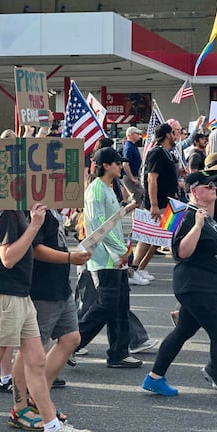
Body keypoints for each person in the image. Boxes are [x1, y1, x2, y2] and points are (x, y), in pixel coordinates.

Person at [0, 203, 91, 432]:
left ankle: (52, 427)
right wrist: (35, 225)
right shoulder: (4, 211)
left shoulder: (16, 208)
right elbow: (8, 257)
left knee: (37, 360)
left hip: (20, 293)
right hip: (2, 295)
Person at [142, 171, 217, 407]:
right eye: (208, 186)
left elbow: (212, 246)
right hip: (197, 285)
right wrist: (198, 226)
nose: (214, 189)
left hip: (203, 284)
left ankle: (154, 377)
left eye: (214, 185)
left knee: (183, 331)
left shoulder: (205, 215)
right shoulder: (188, 216)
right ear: (194, 191)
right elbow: (182, 252)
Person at [8, 209, 92, 429]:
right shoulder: (34, 208)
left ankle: (38, 396)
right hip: (42, 288)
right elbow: (34, 249)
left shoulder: (51, 208)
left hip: (60, 286)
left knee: (71, 338)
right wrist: (69, 257)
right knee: (30, 349)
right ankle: (20, 407)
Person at [78, 147, 140, 369]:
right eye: (116, 163)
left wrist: (127, 209)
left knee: (120, 305)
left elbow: (112, 220)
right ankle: (73, 342)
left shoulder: (108, 187)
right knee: (106, 305)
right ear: (105, 165)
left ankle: (119, 353)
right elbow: (98, 227)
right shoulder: (96, 190)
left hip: (115, 257)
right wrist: (120, 251)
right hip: (105, 259)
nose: (120, 166)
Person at [130, 123, 178, 283]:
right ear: (167, 135)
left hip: (169, 201)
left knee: (160, 237)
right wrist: (155, 205)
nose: (175, 135)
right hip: (159, 202)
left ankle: (142, 267)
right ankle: (134, 268)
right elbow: (152, 179)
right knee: (148, 236)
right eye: (173, 132)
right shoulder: (157, 152)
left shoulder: (167, 153)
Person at [121, 126, 144, 209]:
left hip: (134, 175)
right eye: (137, 133)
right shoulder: (129, 147)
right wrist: (132, 178)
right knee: (137, 200)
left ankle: (136, 219)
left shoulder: (132, 146)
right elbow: (125, 164)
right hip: (130, 176)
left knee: (141, 196)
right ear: (130, 135)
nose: (139, 135)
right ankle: (121, 213)